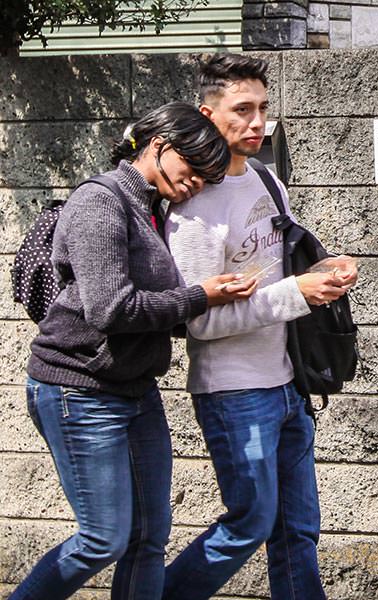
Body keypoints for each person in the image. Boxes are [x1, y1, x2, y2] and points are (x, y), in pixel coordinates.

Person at [13, 102, 256, 600]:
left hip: (135, 391)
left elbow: (153, 307)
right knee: (102, 539)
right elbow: (110, 310)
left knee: (149, 539)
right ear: (160, 147)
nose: (195, 186)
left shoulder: (154, 207)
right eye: (191, 172)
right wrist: (201, 296)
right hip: (77, 389)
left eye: (206, 180)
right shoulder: (100, 202)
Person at [162, 54, 355, 600]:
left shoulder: (268, 180)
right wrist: (296, 295)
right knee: (249, 523)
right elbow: (200, 324)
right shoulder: (194, 208)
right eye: (242, 110)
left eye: (263, 108)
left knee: (297, 531)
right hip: (233, 389)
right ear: (207, 114)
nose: (257, 123)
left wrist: (320, 273)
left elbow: (275, 272)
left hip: (288, 381)